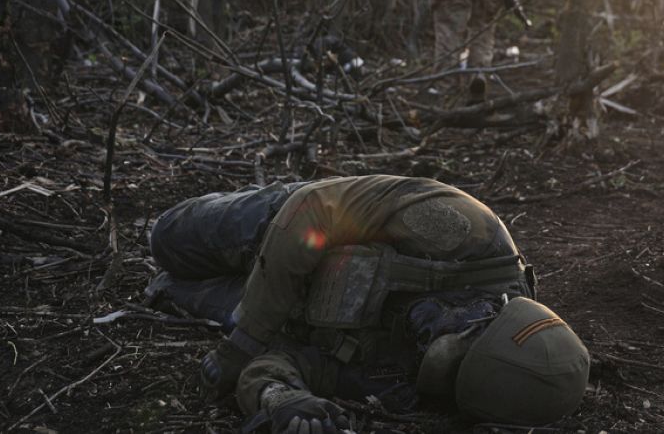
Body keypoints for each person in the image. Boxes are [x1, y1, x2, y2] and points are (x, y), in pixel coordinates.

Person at [147, 175, 589, 433]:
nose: (430, 338)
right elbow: (314, 209)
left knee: (168, 291)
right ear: (496, 311)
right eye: (463, 332)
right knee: (166, 238)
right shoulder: (469, 235)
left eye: (448, 365)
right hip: (287, 227)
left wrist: (279, 398)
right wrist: (243, 342)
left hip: (288, 313)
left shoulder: (408, 384)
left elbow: (283, 363)